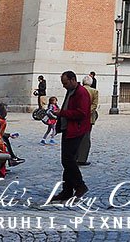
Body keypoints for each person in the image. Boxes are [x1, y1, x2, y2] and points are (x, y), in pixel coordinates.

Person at [50, 71, 91, 203]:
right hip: (68, 129)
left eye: (65, 83)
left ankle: (80, 185)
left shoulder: (81, 93)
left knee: (68, 160)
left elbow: (81, 113)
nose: (64, 86)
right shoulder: (71, 91)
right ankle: (67, 190)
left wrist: (62, 113)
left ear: (73, 80)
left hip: (76, 130)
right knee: (67, 160)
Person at [76, 75, 99, 166]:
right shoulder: (94, 91)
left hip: (78, 116)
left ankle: (76, 156)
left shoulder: (79, 90)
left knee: (77, 137)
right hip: (88, 117)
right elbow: (94, 104)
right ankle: (82, 158)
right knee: (86, 138)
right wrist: (86, 112)